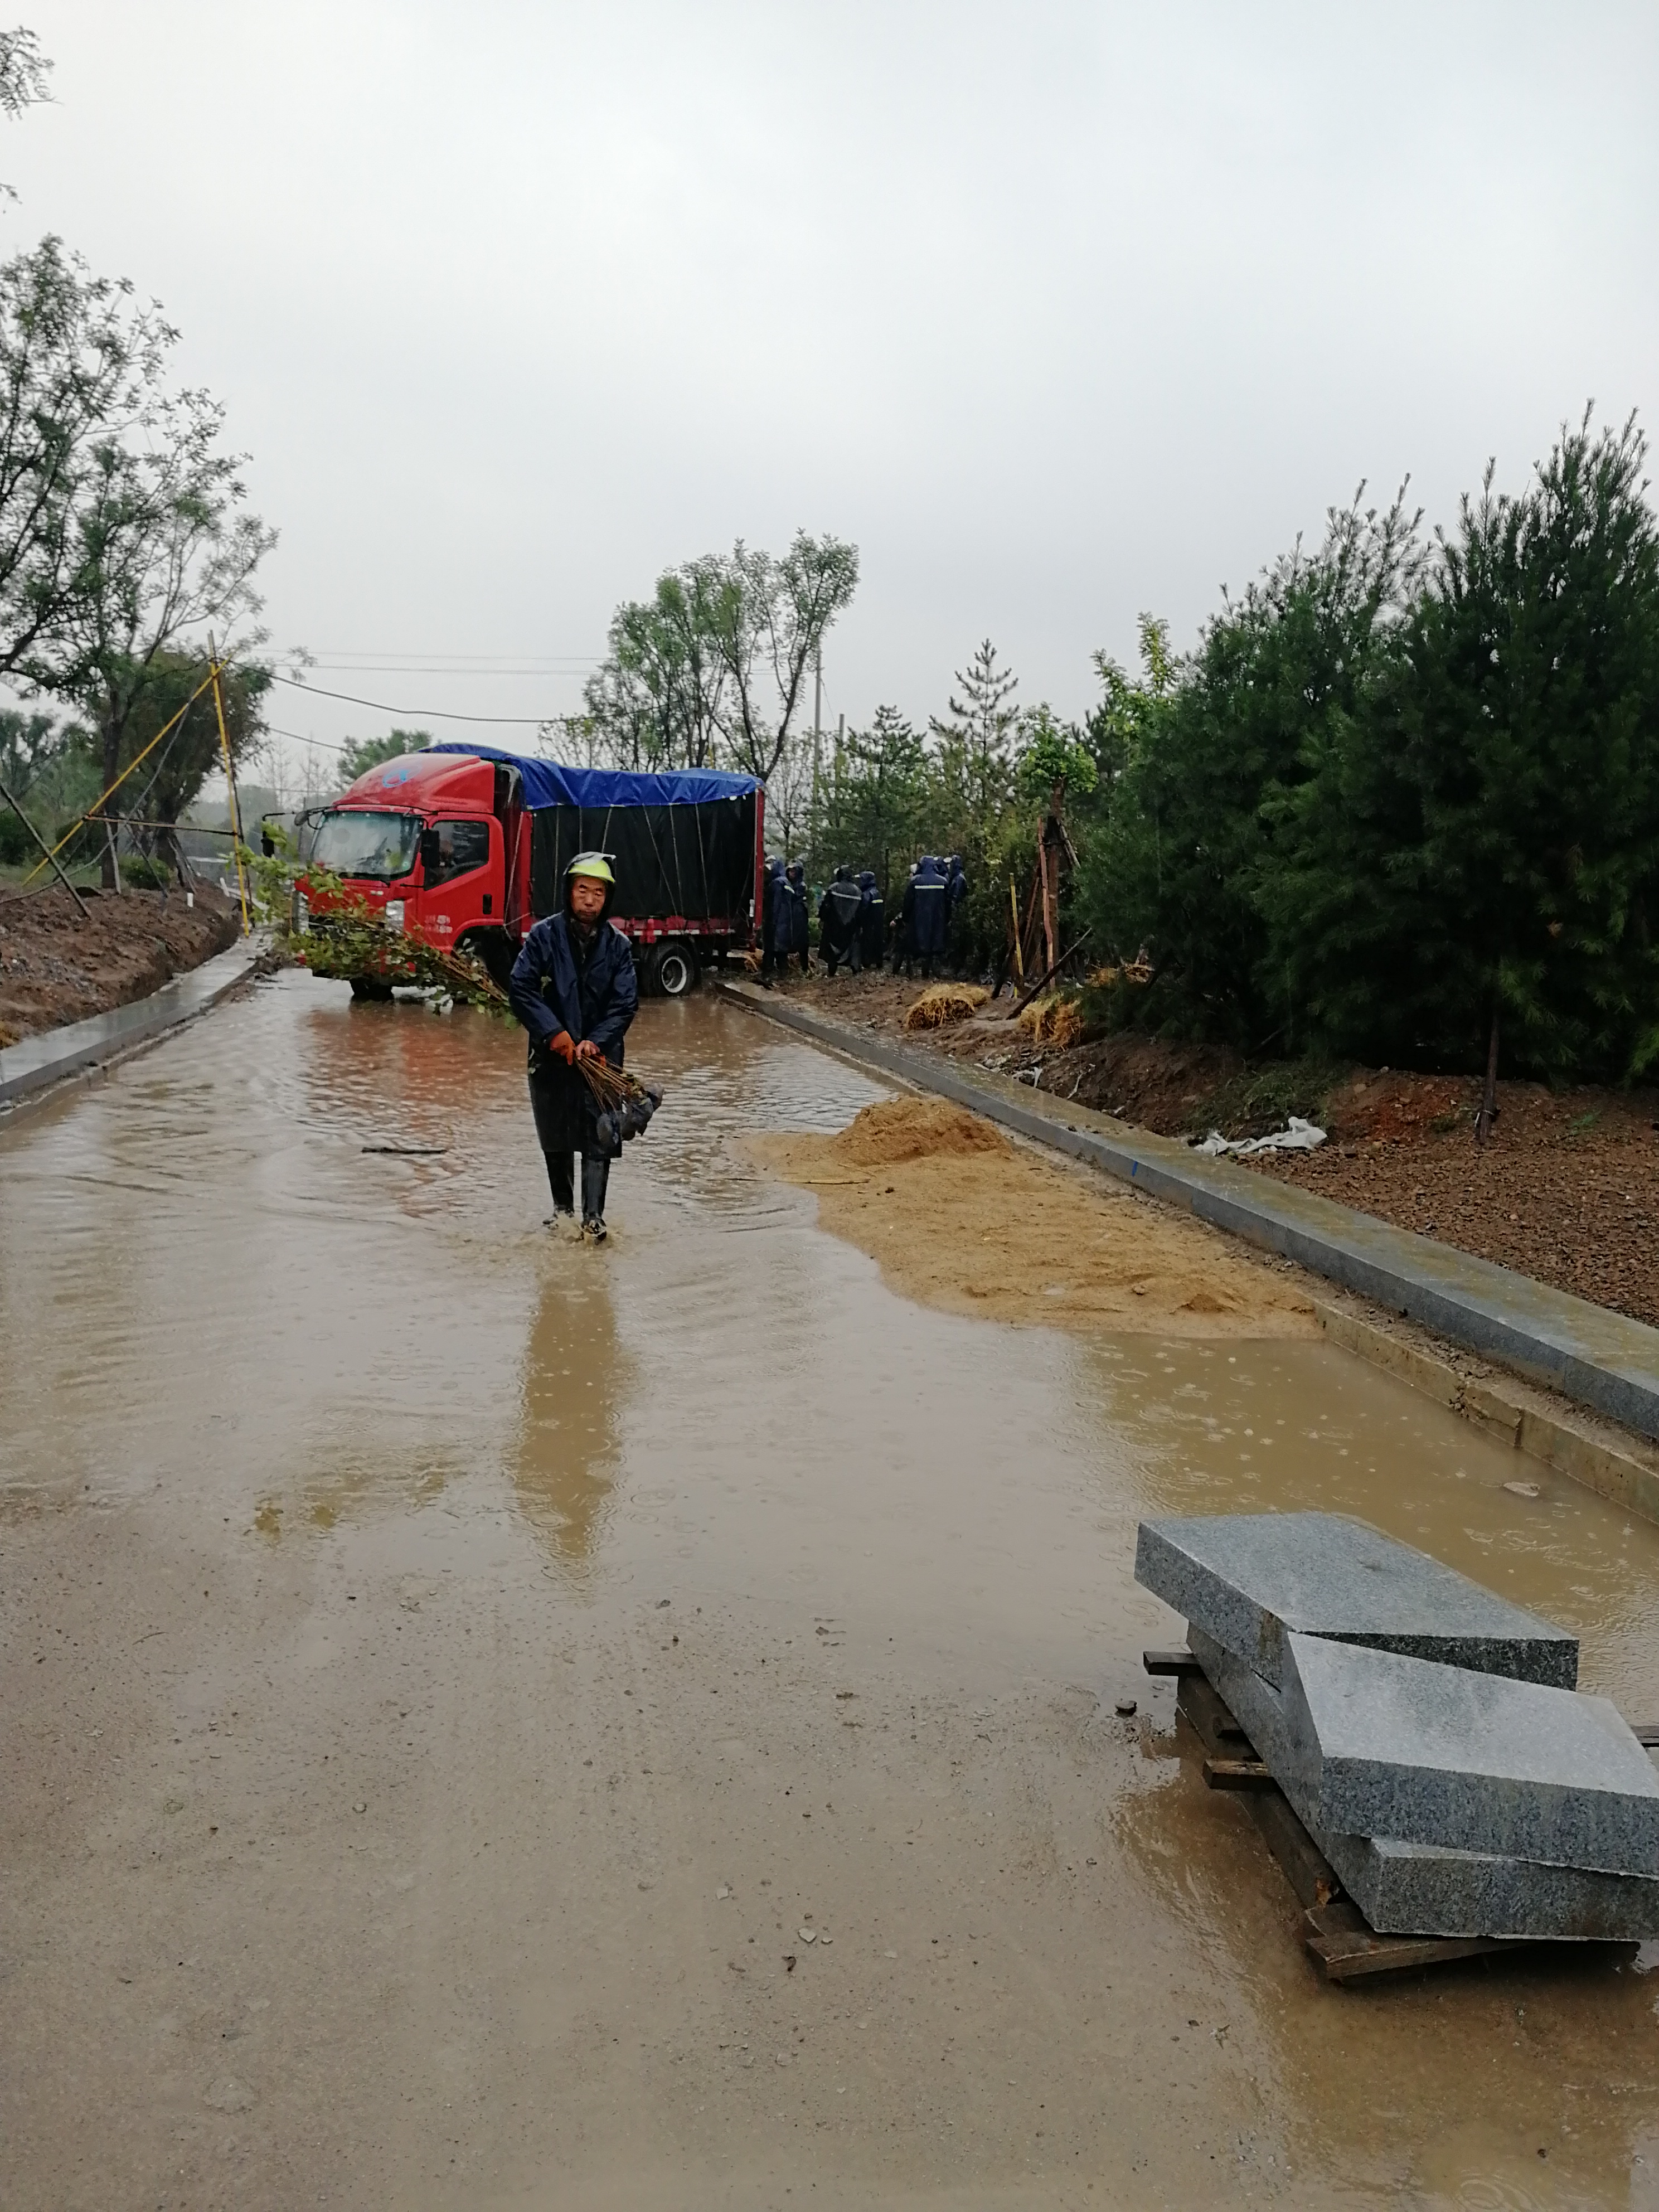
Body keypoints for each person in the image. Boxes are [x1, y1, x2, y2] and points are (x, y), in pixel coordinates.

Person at [508, 851, 638, 1241]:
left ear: (607, 899)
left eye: (598, 893)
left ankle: (594, 1218)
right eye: (582, 890)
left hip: (601, 1060)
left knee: (601, 1133)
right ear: (569, 892)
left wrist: (596, 1043)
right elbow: (522, 987)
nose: (589, 900)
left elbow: (625, 1004)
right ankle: (562, 1212)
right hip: (551, 1058)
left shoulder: (619, 947)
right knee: (557, 1133)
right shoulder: (544, 937)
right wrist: (554, 1034)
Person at [900, 855, 948, 979]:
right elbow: (948, 903)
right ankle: (936, 973)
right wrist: (948, 918)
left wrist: (905, 918)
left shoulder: (915, 882)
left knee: (921, 947)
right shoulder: (943, 882)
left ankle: (921, 973)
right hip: (938, 920)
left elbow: (908, 903)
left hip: (918, 921)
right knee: (935, 947)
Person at [817, 864, 864, 977]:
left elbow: (826, 906)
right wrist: (860, 925)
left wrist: (822, 918)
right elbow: (860, 911)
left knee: (833, 951)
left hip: (834, 926)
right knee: (851, 948)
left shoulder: (833, 888)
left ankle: (832, 972)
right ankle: (855, 970)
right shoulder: (858, 891)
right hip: (851, 927)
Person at [758, 855, 784, 981]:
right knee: (777, 949)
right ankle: (781, 971)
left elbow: (775, 905)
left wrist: (772, 921)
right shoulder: (781, 881)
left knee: (771, 948)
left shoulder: (777, 883)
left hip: (774, 922)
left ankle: (768, 973)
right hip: (779, 923)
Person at [785, 860, 811, 974]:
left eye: (794, 871)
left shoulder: (801, 886)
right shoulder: (787, 884)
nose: (791, 874)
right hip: (789, 915)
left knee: (802, 942)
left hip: (799, 915)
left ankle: (805, 967)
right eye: (790, 871)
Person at [857, 870, 885, 971]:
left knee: (867, 942)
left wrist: (859, 923)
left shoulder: (866, 894)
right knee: (878, 942)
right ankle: (879, 962)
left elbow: (862, 911)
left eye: (862, 880)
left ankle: (867, 962)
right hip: (878, 924)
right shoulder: (877, 893)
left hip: (868, 925)